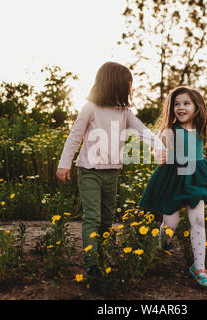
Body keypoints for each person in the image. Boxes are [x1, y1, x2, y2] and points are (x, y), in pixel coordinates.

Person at [56, 61, 166, 280]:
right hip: (89, 170)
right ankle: (92, 264)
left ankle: (102, 256)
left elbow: (142, 131)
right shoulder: (90, 108)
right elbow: (75, 136)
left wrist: (159, 146)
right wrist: (64, 163)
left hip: (112, 172)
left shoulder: (124, 112)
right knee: (92, 217)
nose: (130, 89)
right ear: (113, 84)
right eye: (127, 85)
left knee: (107, 219)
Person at [137, 86, 207, 288]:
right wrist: (161, 155)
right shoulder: (170, 131)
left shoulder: (200, 129)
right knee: (170, 225)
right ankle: (161, 251)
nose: (180, 107)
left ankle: (199, 267)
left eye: (186, 103)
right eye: (176, 104)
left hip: (195, 179)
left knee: (197, 220)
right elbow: (160, 152)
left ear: (196, 108)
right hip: (174, 180)